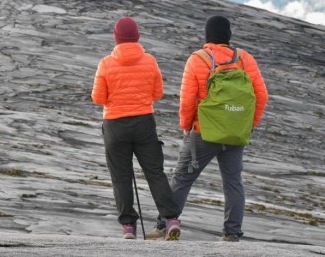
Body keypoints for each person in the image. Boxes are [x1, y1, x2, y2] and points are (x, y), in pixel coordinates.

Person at [147, 15, 268, 241]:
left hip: (203, 132)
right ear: (228, 35)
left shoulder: (198, 59)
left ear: (207, 35)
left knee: (182, 178)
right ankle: (232, 233)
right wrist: (248, 125)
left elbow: (187, 100)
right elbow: (261, 96)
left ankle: (164, 227)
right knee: (233, 182)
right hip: (235, 133)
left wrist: (185, 127)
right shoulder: (245, 59)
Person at [91, 16, 182, 240]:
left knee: (121, 177)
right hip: (144, 122)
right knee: (155, 173)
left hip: (115, 125)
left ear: (116, 37)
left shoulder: (105, 63)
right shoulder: (150, 60)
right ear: (137, 36)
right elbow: (157, 93)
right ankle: (171, 220)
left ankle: (128, 227)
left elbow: (98, 97)